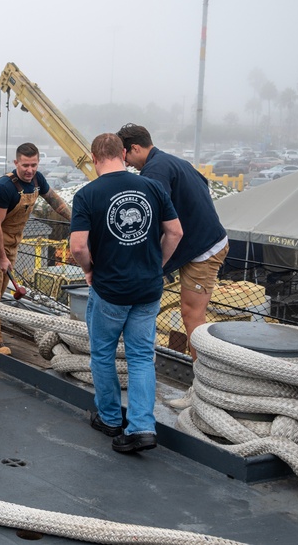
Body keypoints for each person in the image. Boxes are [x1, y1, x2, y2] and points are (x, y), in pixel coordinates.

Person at [69, 133, 182, 453]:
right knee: (142, 357)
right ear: (123, 153)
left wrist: (89, 269)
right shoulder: (153, 188)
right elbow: (175, 232)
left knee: (103, 354)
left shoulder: (88, 194)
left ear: (93, 158)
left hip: (111, 289)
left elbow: (78, 246)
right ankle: (143, 427)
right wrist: (157, 264)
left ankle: (109, 419)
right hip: (148, 289)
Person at [117, 123, 228, 409]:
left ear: (135, 148)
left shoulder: (154, 172)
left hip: (203, 250)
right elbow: (201, 187)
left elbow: (154, 218)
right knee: (191, 315)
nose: (125, 162)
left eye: (125, 155)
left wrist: (148, 263)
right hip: (198, 244)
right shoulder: (171, 161)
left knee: (192, 316)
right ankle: (204, 385)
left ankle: (202, 390)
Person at [0, 142, 72, 356]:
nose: (30, 170)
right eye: (25, 165)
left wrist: (76, 221)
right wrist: (1, 256)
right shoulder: (4, 187)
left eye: (34, 165)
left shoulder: (38, 180)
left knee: (0, 289)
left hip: (13, 242)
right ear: (16, 163)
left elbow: (55, 201)